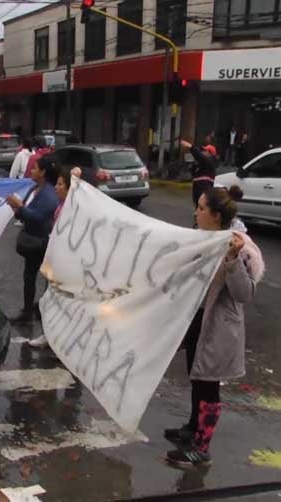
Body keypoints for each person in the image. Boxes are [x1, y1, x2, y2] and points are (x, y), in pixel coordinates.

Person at [164, 186, 264, 468]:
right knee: (197, 377)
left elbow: (245, 294)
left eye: (201, 208)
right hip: (198, 320)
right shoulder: (204, 240)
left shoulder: (240, 248)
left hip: (219, 328)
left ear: (216, 214)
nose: (196, 212)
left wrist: (232, 260)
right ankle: (192, 428)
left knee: (209, 387)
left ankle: (202, 446)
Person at [28, 165, 82, 348]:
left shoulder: (73, 207)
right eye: (57, 183)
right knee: (50, 300)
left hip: (66, 265)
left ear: (69, 188)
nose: (56, 187)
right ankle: (49, 335)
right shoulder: (60, 205)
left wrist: (75, 174)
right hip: (55, 261)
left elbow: (77, 174)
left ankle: (64, 342)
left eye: (60, 184)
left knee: (64, 303)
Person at [5, 155, 60, 325]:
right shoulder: (34, 188)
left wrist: (19, 206)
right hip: (31, 241)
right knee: (29, 277)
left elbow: (39, 217)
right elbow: (25, 214)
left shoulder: (49, 194)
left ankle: (43, 312)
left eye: (35, 168)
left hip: (42, 242)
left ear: (43, 172)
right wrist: (16, 207)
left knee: (47, 279)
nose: (32, 170)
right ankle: (27, 311)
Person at [182, 139, 218, 209]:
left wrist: (190, 147)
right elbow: (194, 176)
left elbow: (200, 156)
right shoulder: (202, 164)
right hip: (197, 195)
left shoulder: (210, 163)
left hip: (204, 195)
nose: (202, 152)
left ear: (210, 154)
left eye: (205, 151)